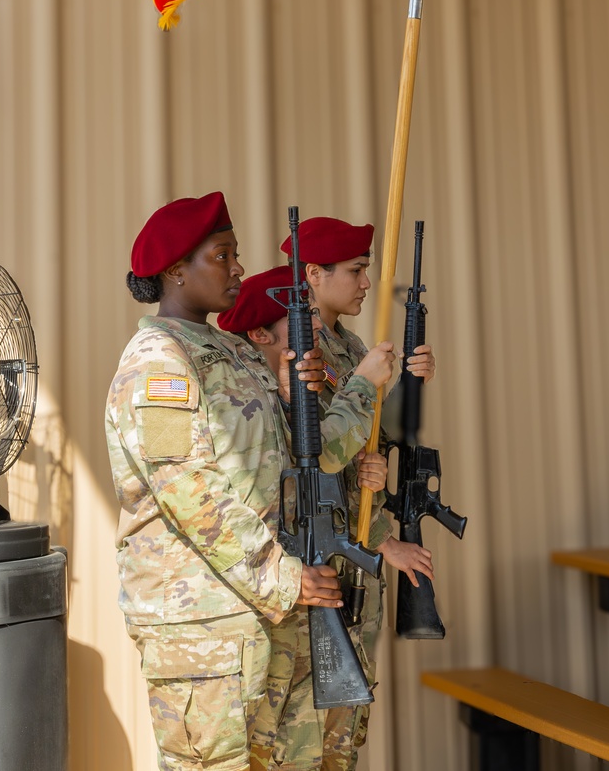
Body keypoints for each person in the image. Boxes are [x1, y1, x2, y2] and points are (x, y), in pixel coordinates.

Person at [105, 192, 345, 771]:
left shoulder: (232, 350)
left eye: (235, 254)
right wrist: (284, 577)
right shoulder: (159, 362)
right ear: (175, 271)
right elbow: (190, 490)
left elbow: (272, 460)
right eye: (222, 254)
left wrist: (293, 397)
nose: (239, 268)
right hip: (202, 624)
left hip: (262, 610)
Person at [217, 266, 395, 769]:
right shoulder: (246, 397)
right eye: (302, 327)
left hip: (310, 593)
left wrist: (367, 473)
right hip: (275, 604)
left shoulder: (294, 396)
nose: (317, 334)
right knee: (271, 750)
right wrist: (362, 388)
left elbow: (323, 471)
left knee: (324, 748)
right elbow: (322, 457)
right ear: (259, 335)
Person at [280, 216, 436, 771]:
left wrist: (413, 379)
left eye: (368, 270)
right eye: (356, 270)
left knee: (345, 737)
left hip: (359, 547)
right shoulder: (297, 346)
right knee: (307, 734)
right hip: (326, 557)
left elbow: (378, 437)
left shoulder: (351, 345)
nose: (367, 283)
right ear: (315, 274)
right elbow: (322, 451)